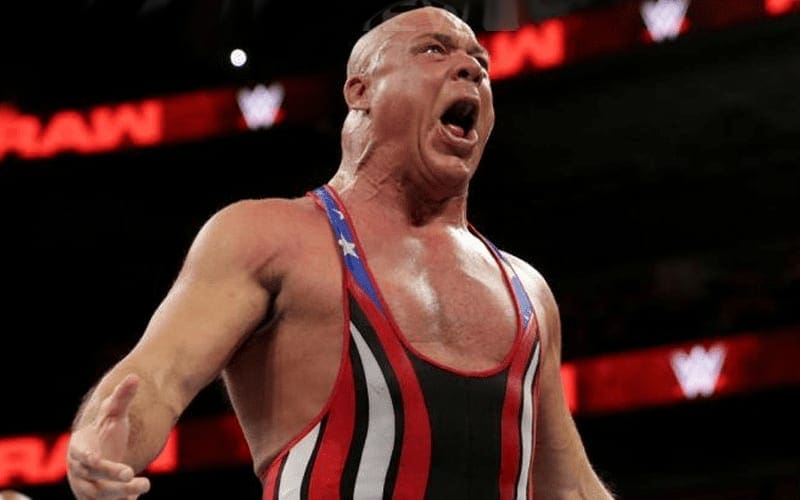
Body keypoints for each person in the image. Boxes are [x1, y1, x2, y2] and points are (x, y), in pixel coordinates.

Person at [66, 4, 615, 499]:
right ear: (360, 90)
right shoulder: (270, 237)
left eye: (480, 62)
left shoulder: (528, 290)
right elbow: (159, 375)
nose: (471, 68)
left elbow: (568, 486)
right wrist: (105, 443)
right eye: (434, 50)